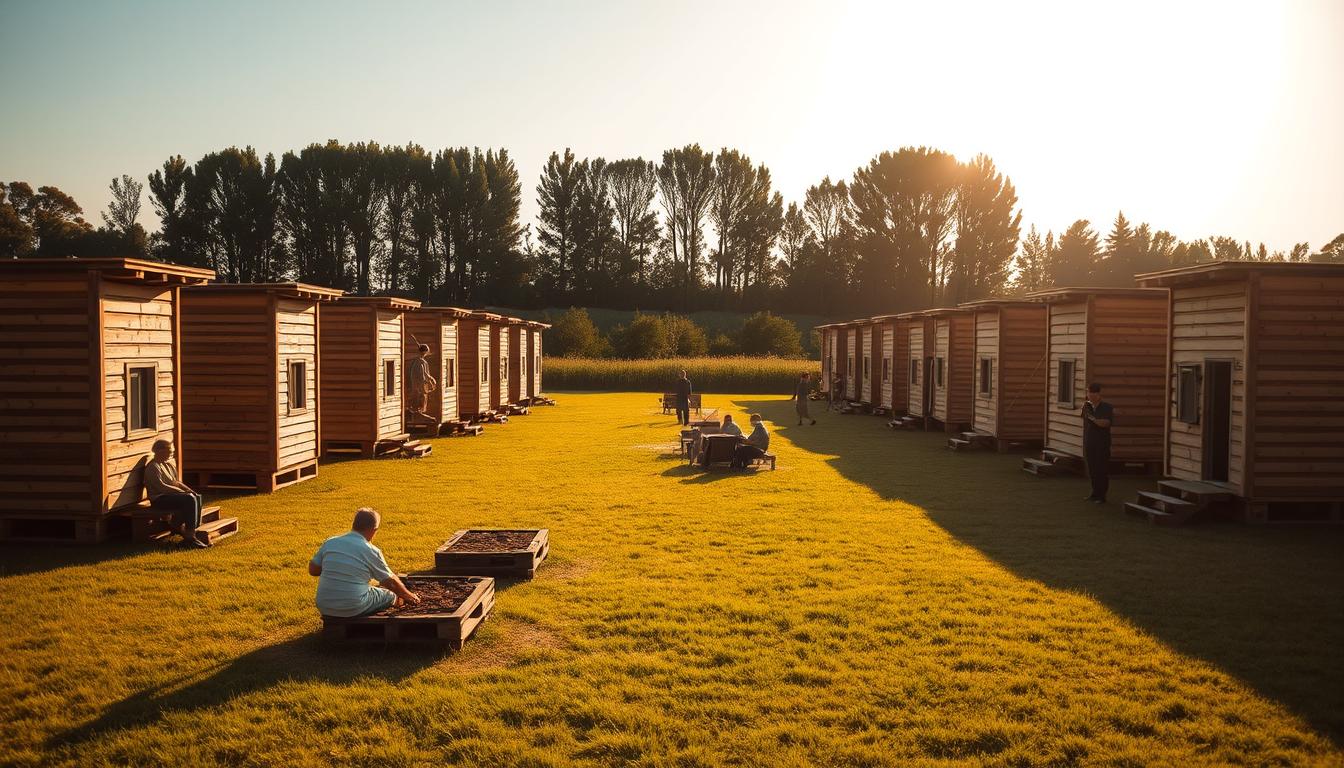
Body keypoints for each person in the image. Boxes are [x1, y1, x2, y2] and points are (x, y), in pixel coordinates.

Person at [309, 508, 421, 617]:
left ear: (354, 524)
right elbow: (390, 582)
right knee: (391, 595)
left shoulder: (331, 542)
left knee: (372, 588)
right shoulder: (371, 550)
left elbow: (313, 570)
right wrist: (409, 596)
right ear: (374, 530)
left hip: (324, 605)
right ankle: (400, 607)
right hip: (353, 607)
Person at [143, 439, 209, 548]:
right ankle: (189, 536)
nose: (171, 453)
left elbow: (176, 482)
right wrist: (183, 493)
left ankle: (190, 529)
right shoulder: (153, 467)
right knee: (188, 499)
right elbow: (161, 487)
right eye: (168, 451)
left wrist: (190, 491)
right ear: (159, 451)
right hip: (159, 499)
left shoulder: (168, 465)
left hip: (171, 496)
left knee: (195, 496)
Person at [1082, 383, 1114, 504]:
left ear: (1098, 394)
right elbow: (1085, 418)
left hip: (1103, 442)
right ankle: (1094, 493)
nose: (1089, 395)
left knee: (1102, 468)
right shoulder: (1087, 406)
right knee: (1092, 468)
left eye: (1091, 393)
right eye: (1088, 393)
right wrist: (1094, 420)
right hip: (1090, 441)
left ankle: (1102, 495)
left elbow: (1105, 423)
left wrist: (1094, 419)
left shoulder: (1107, 407)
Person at [406, 343, 437, 426]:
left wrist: (431, 379)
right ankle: (418, 417)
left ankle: (420, 415)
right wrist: (426, 382)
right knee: (419, 401)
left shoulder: (423, 362)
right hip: (418, 387)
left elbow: (426, 373)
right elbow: (421, 375)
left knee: (423, 400)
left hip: (421, 386)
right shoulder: (418, 362)